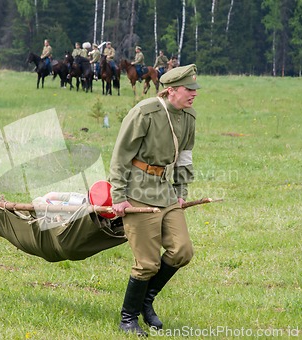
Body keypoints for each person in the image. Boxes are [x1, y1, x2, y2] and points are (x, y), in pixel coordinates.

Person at [108, 65, 200, 336]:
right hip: (137, 192)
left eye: (195, 90)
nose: (194, 95)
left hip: (165, 191)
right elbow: (120, 155)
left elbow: (185, 157)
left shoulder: (189, 117)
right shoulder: (145, 112)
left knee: (182, 250)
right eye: (189, 90)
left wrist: (181, 193)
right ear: (171, 90)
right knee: (147, 263)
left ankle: (146, 301)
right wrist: (118, 197)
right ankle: (128, 318)